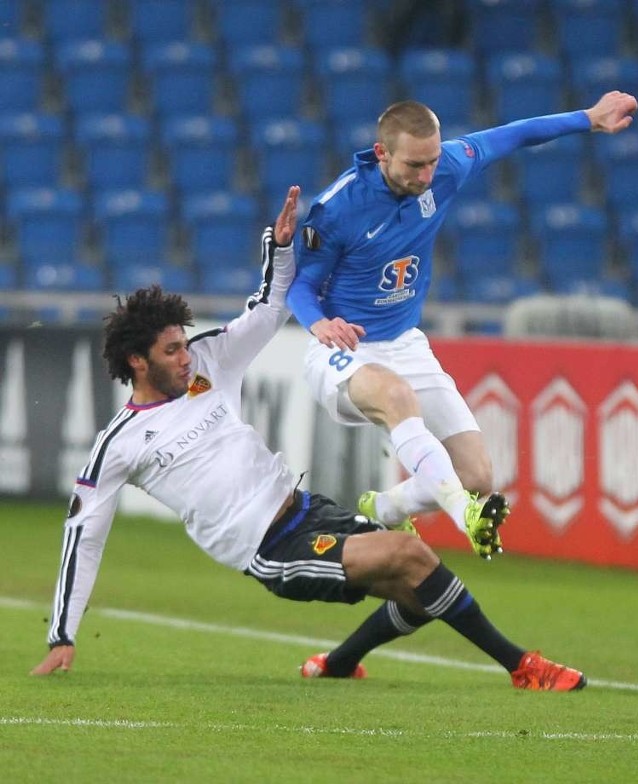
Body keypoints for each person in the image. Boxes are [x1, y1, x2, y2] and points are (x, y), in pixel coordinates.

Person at [30, 186, 586, 692]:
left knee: (418, 587)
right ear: (137, 361)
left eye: (183, 344)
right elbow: (85, 535)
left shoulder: (208, 362)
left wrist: (280, 247)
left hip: (304, 510)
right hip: (270, 550)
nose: (184, 355)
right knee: (410, 554)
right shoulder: (120, 443)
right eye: (171, 350)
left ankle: (338, 664)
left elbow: (271, 307)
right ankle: (522, 667)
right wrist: (62, 634)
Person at [286, 92, 638, 558]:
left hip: (406, 344)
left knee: (477, 476)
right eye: (415, 165)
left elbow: (511, 136)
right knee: (396, 398)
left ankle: (386, 508)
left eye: (432, 161)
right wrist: (319, 323)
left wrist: (587, 119)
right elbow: (300, 286)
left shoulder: (446, 167)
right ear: (382, 154)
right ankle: (464, 515)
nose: (427, 175)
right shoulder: (338, 208)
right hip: (345, 349)